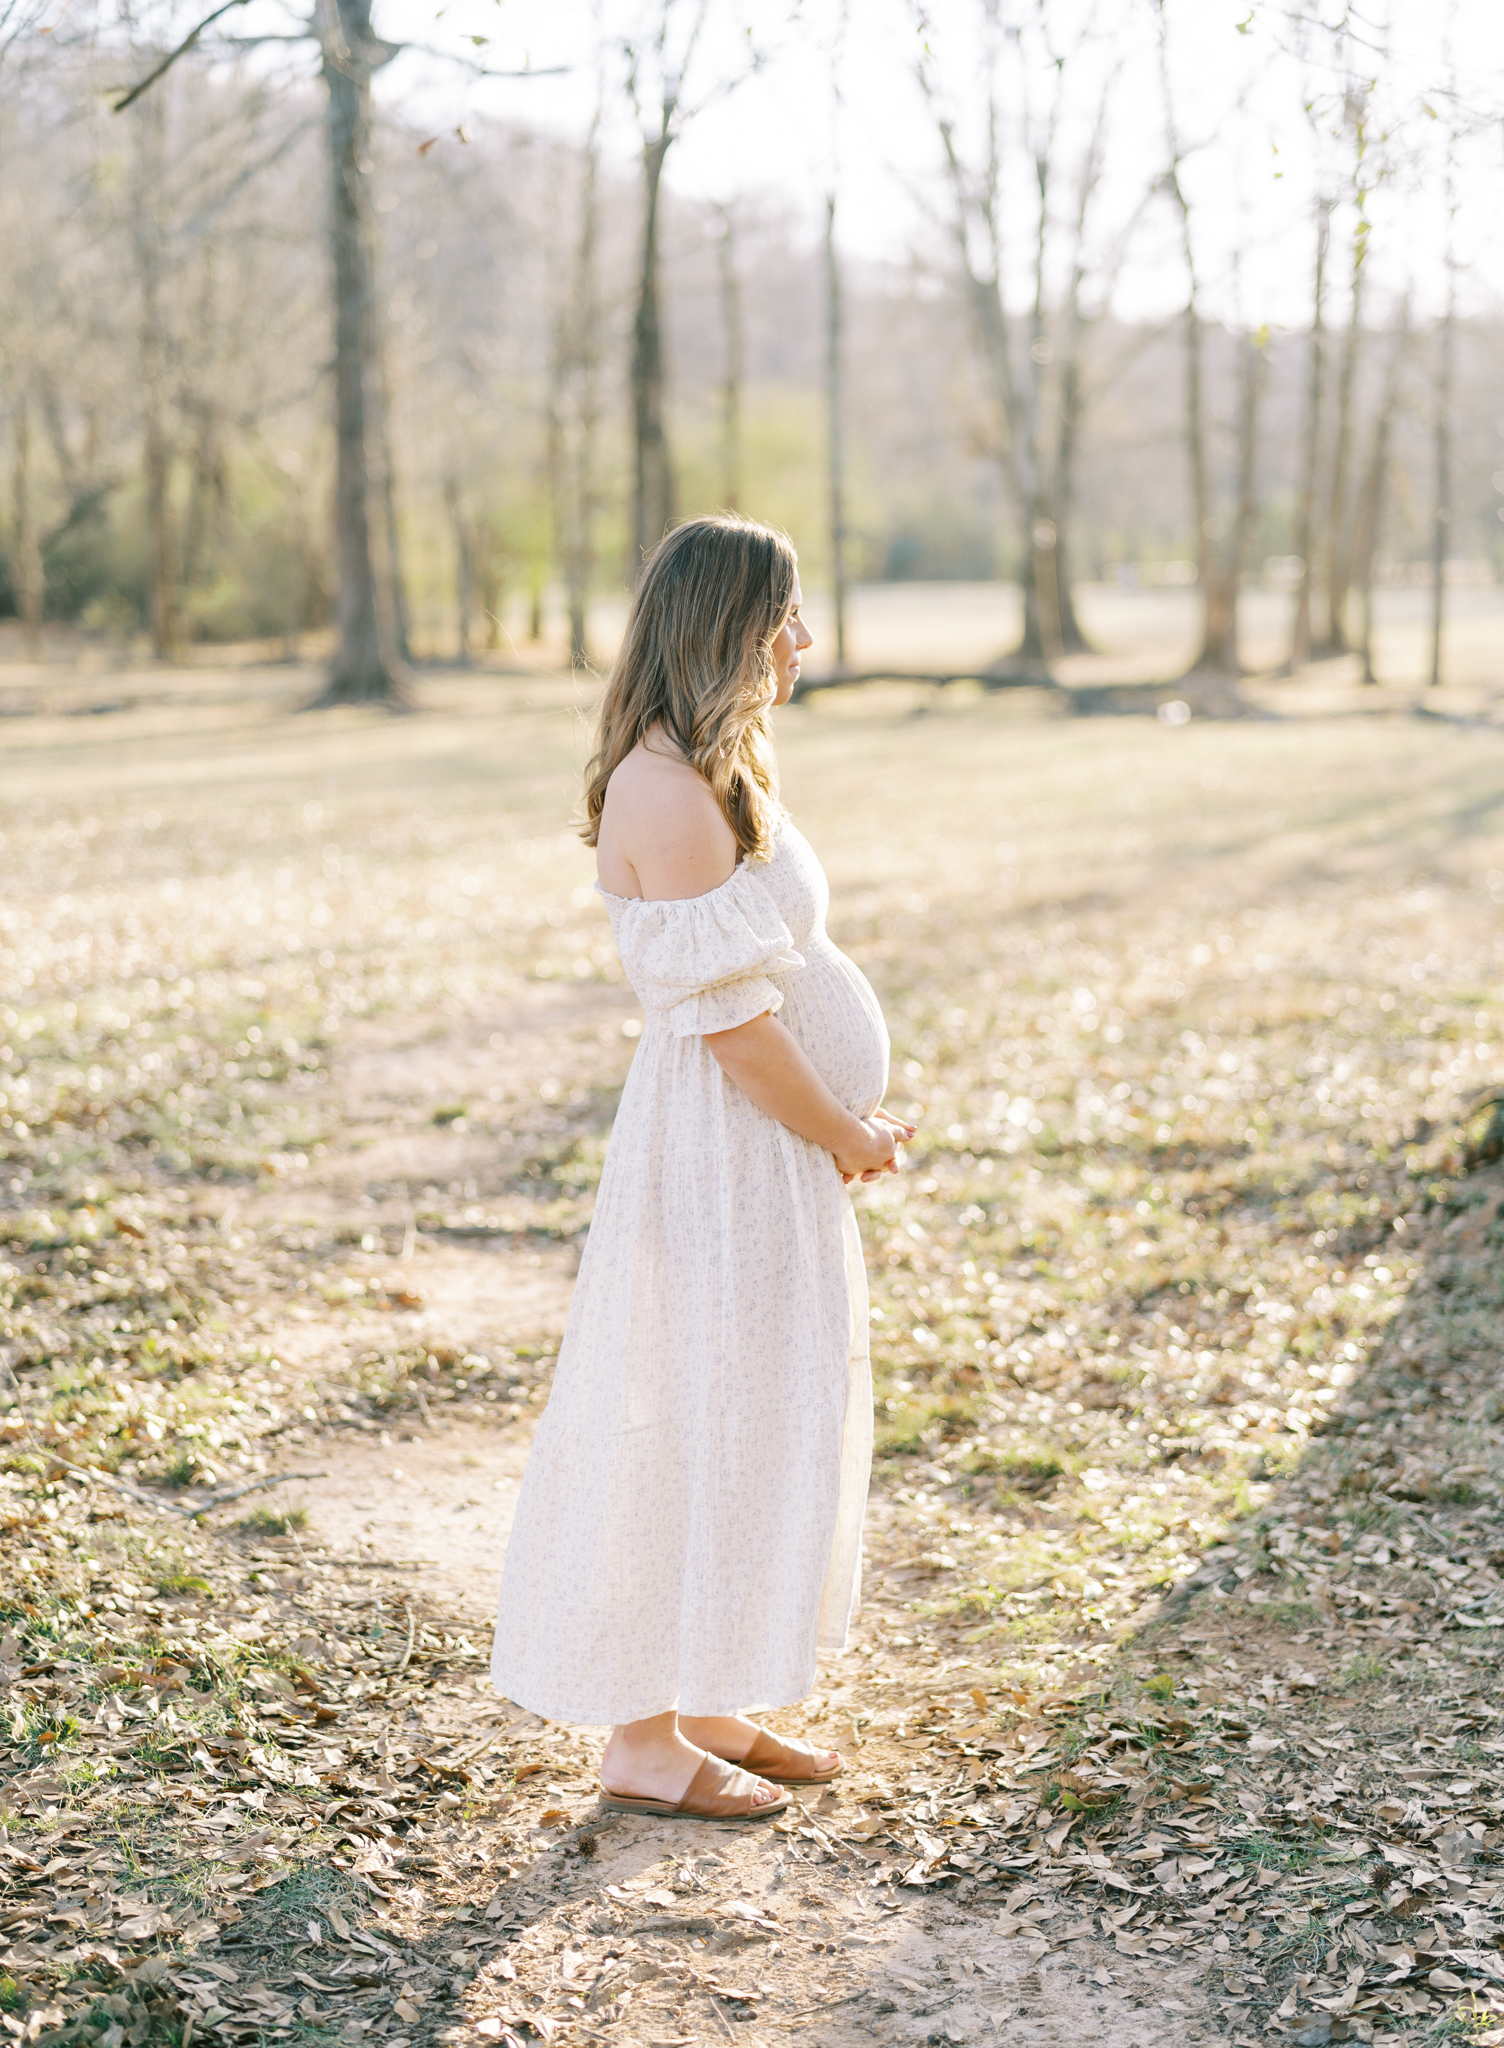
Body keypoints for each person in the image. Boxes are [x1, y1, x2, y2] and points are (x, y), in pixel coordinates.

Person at [491, 515, 913, 1823]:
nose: (804, 640)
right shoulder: (663, 792)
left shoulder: (720, 766)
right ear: (722, 625)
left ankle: (708, 1687)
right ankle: (641, 1736)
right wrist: (847, 1132)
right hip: (723, 1155)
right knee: (687, 1414)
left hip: (763, 1155)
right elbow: (732, 1029)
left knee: (755, 1414)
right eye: (783, 615)